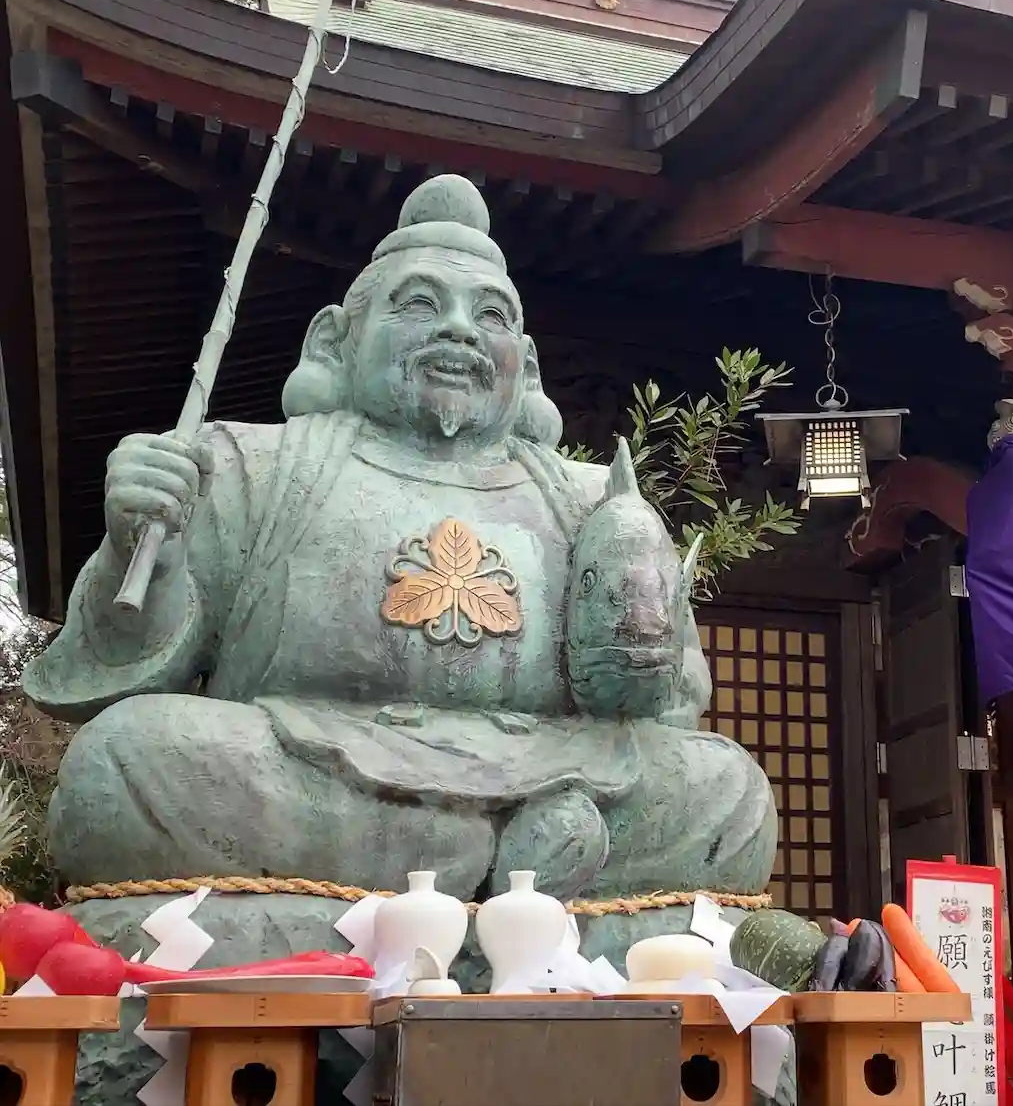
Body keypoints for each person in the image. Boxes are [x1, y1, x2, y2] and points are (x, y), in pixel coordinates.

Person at [26, 175, 776, 904]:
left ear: (526, 364)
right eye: (420, 303)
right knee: (124, 756)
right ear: (336, 340)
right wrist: (141, 551)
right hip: (322, 771)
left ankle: (425, 880)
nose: (459, 329)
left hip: (560, 778)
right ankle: (489, 871)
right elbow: (129, 663)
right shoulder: (251, 464)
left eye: (490, 314)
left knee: (731, 791)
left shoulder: (590, 500)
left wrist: (642, 651)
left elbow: (668, 709)